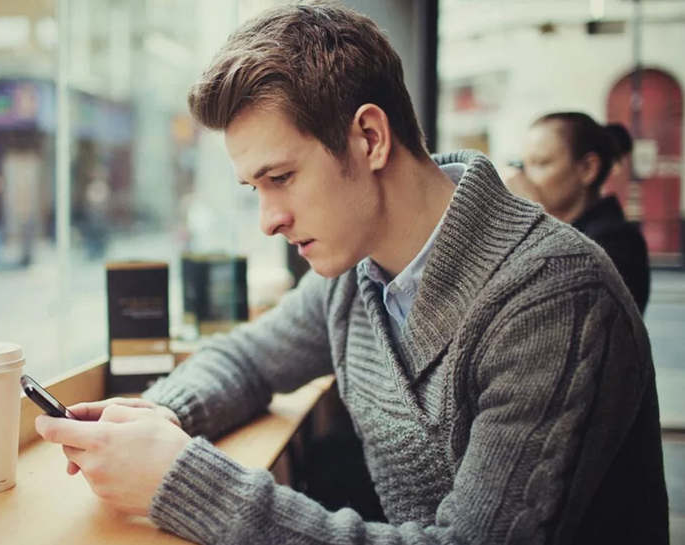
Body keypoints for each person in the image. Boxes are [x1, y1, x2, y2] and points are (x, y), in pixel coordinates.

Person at [35, 2, 668, 544]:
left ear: (370, 138)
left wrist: (187, 482)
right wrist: (156, 420)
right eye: (254, 187)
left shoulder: (557, 298)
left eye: (280, 178)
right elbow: (247, 359)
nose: (268, 221)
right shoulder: (355, 272)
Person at [504, 112, 650, 313]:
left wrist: (531, 213)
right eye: (523, 165)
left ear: (588, 168)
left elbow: (554, 307)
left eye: (540, 163)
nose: (524, 178)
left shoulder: (617, 240)